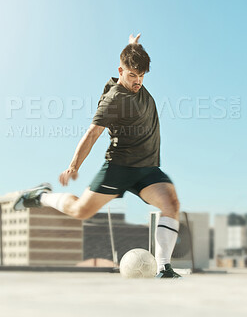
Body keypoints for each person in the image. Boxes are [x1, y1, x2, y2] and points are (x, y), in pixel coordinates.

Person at [14, 33, 181, 278]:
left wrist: (132, 45)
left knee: (171, 204)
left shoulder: (135, 75)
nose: (138, 81)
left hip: (147, 167)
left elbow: (132, 58)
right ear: (120, 71)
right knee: (81, 210)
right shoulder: (114, 99)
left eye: (142, 76)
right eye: (133, 75)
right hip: (120, 166)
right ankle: (41, 197)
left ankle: (164, 268)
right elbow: (92, 133)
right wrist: (73, 166)